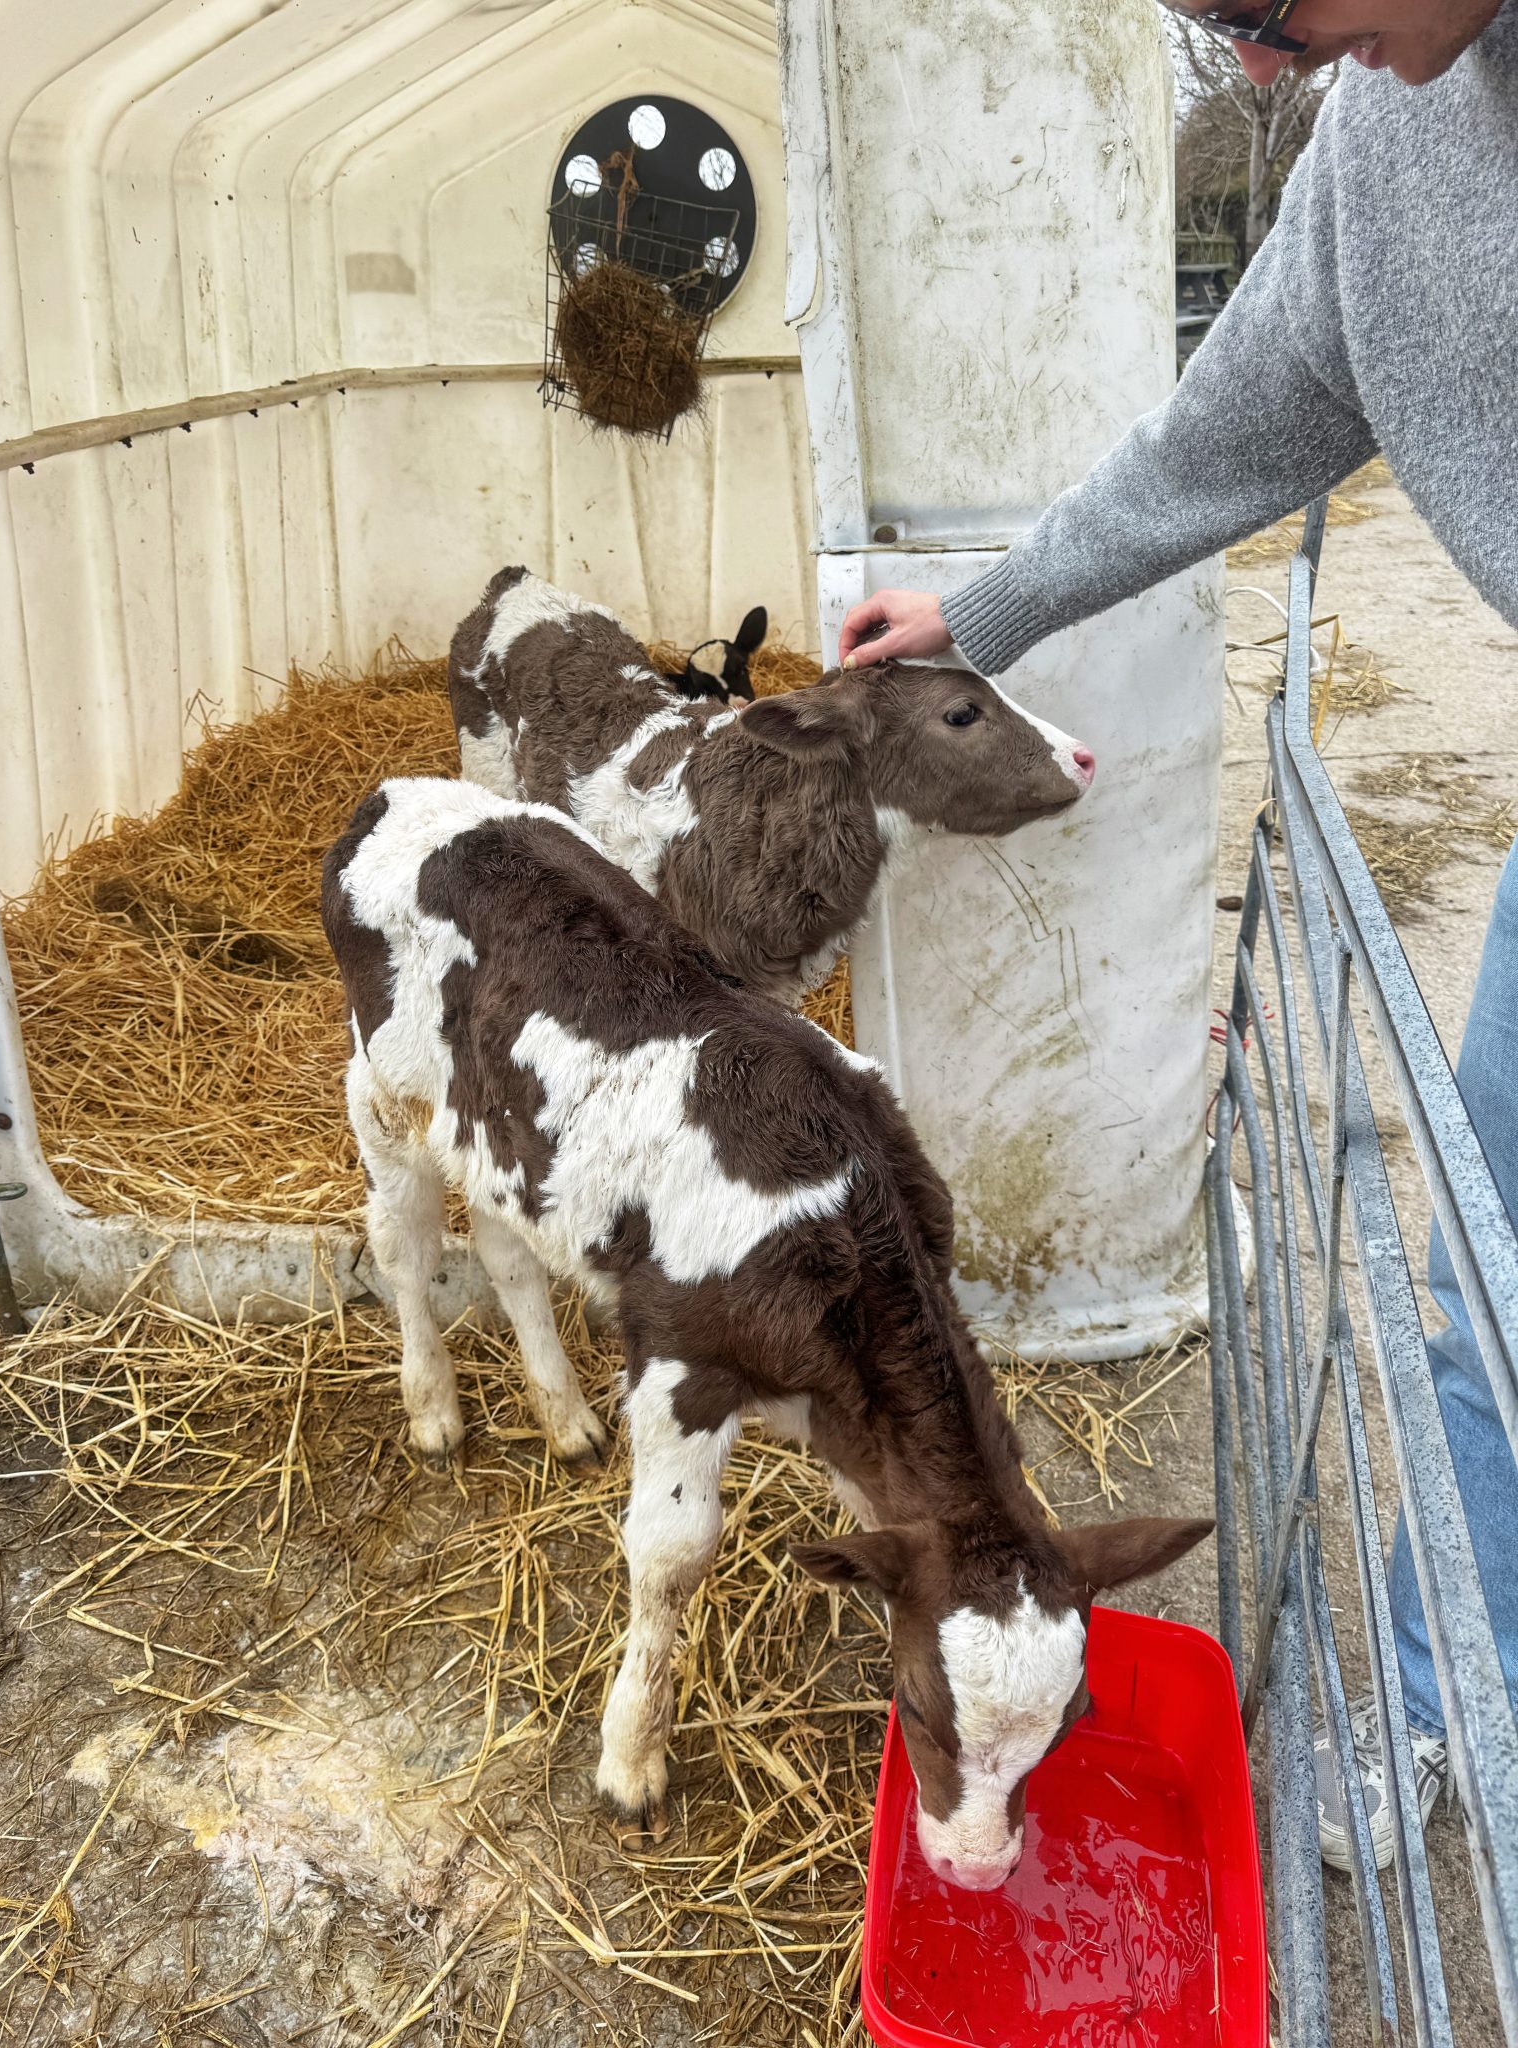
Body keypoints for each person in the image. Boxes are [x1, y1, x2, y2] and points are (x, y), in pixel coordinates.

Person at [838, 0, 1518, 1874]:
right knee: (1490, 1280)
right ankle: (1435, 1691)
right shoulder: (1377, 150)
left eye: (1267, 10)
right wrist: (984, 609)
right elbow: (1226, 428)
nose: (1266, 64)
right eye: (1221, 25)